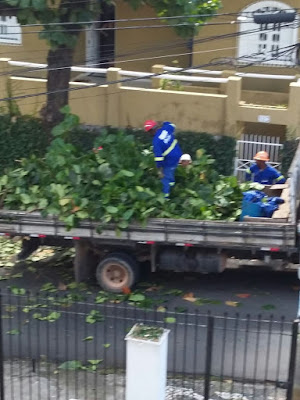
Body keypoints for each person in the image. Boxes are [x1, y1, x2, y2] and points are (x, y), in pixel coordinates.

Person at [144, 120, 182, 198]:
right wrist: (162, 123)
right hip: (178, 153)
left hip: (170, 159)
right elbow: (172, 124)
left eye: (148, 132)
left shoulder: (156, 141)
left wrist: (160, 170)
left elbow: (159, 158)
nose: (149, 134)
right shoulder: (166, 129)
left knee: (165, 178)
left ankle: (165, 199)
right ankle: (173, 188)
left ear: (151, 131)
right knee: (171, 174)